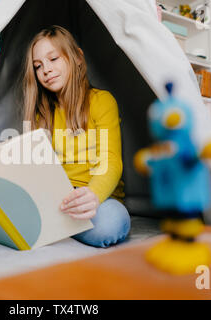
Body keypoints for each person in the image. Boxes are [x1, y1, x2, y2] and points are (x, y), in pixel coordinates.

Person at [22, 25, 130, 248]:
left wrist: (93, 195)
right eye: (38, 66)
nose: (46, 70)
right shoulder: (41, 113)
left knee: (111, 223)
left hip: (97, 198)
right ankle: (56, 225)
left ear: (78, 58)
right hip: (57, 199)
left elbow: (110, 162)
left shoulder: (102, 101)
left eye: (53, 59)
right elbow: (36, 170)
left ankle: (48, 228)